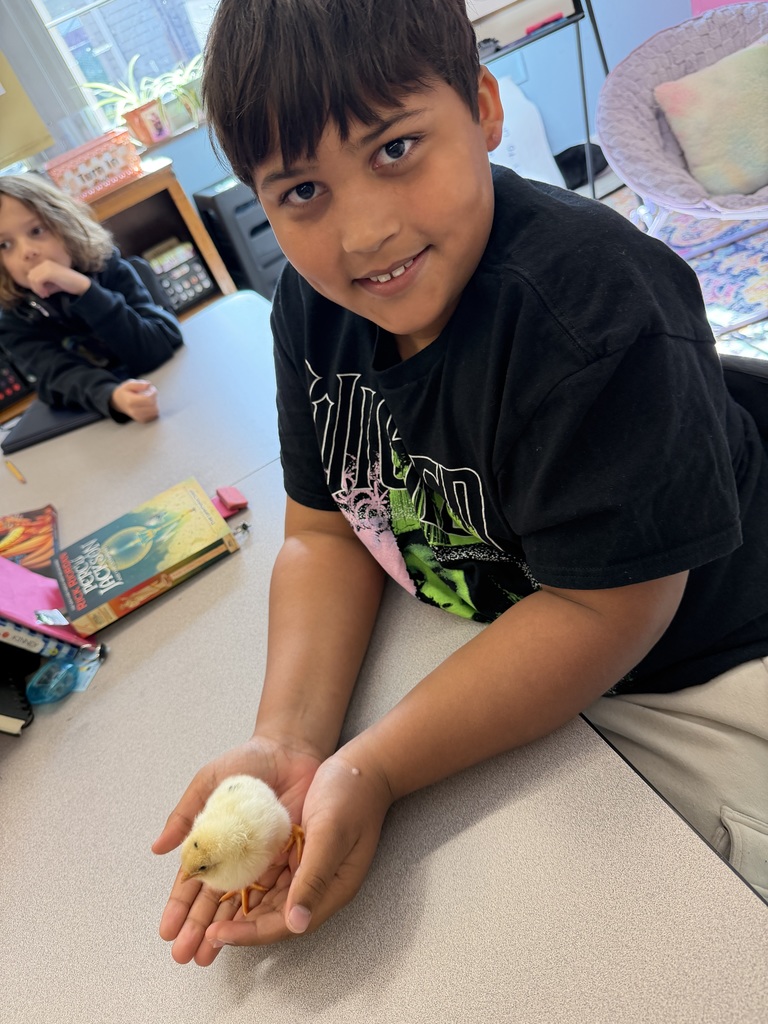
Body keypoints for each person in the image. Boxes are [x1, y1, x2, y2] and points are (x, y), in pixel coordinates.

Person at [153, 0, 768, 963]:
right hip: (525, 642)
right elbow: (324, 534)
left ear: (482, 107)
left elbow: (605, 610)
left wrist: (379, 767)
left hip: (703, 654)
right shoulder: (311, 311)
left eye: (395, 149)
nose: (362, 232)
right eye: (303, 191)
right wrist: (290, 743)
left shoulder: (597, 311)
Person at [0, 174, 182, 422]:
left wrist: (86, 290)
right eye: (5, 245)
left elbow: (156, 348)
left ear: (63, 225)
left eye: (36, 230)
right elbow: (58, 377)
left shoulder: (108, 268)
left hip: (174, 387)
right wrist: (111, 396)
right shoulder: (14, 322)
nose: (27, 251)